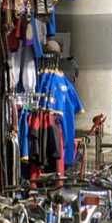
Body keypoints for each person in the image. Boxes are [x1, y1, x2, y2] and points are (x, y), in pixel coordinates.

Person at [30, 36, 82, 175]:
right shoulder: (66, 82)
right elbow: (77, 107)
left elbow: (29, 107)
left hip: (44, 139)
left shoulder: (37, 79)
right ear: (58, 58)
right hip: (63, 140)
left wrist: (24, 111)